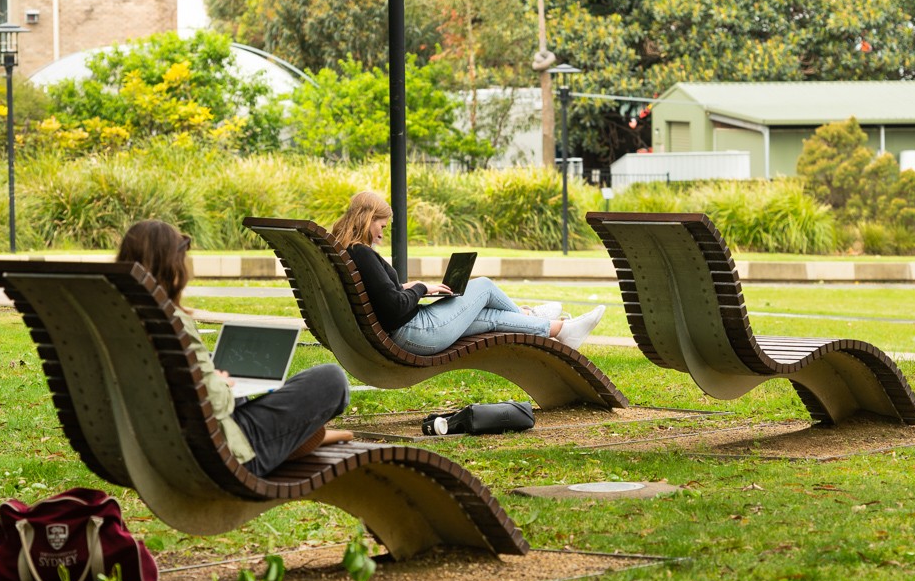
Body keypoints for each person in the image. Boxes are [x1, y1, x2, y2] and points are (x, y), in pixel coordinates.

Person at [117, 220, 352, 477]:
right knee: (330, 379)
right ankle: (290, 439)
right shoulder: (169, 321)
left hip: (159, 442)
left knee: (217, 366)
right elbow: (212, 401)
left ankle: (292, 436)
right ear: (171, 265)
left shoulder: (117, 320)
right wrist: (222, 386)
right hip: (222, 452)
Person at [330, 191, 606, 356]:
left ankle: (561, 330)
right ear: (368, 218)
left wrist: (406, 285)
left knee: (491, 317)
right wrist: (422, 289)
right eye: (382, 224)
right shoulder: (362, 254)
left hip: (410, 331)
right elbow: (393, 309)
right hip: (416, 332)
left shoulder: (353, 252)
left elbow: (384, 297)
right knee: (484, 286)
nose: (383, 231)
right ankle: (528, 315)